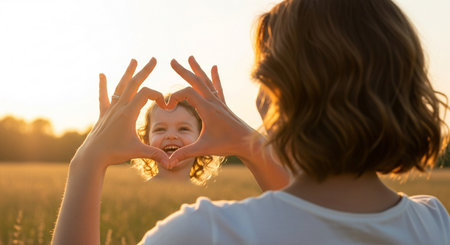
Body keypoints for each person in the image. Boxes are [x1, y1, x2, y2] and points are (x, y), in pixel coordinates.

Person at [52, 0, 450, 244]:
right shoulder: (434, 223)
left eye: (262, 76)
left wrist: (85, 164)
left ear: (272, 96)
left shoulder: (205, 233)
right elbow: (321, 223)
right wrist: (252, 146)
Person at [131, 97, 224, 185]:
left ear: (201, 138)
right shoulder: (136, 194)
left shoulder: (206, 197)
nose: (171, 136)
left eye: (183, 129)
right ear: (146, 140)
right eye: (160, 129)